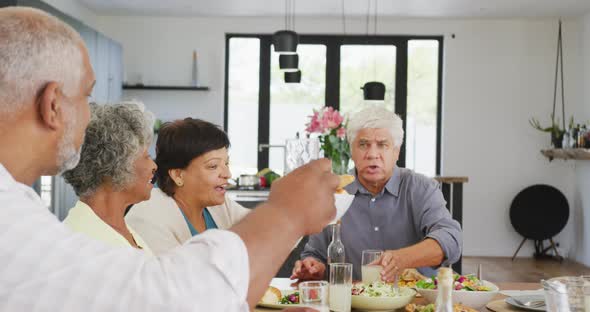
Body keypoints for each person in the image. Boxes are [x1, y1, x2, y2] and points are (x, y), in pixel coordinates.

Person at [0, 7, 337, 311]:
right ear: (54, 105)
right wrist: (287, 212)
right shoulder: (14, 222)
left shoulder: (22, 208)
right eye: (87, 95)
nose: (90, 117)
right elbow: (166, 298)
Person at [292, 106, 462, 282]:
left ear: (396, 152)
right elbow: (314, 254)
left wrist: (402, 259)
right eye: (363, 145)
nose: (372, 154)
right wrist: (313, 267)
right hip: (353, 303)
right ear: (351, 150)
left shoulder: (421, 188)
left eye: (382, 145)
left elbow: (451, 240)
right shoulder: (330, 193)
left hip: (416, 302)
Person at [126, 118, 250, 255]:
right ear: (178, 175)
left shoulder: (221, 205)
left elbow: (261, 227)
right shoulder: (148, 216)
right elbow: (174, 274)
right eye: (213, 166)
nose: (227, 174)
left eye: (226, 164)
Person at [62, 102, 156, 255]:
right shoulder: (83, 241)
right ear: (116, 164)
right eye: (146, 157)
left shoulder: (123, 230)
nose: (154, 165)